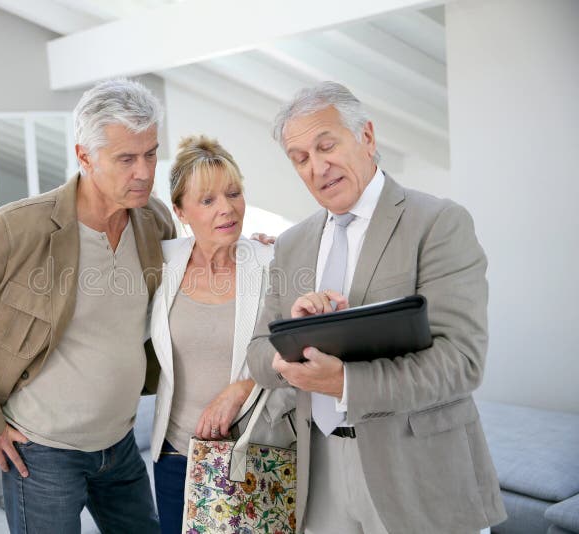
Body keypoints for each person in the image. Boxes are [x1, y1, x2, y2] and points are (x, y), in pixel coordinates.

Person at [0, 78, 175, 534]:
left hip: (120, 444)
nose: (144, 172)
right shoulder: (20, 229)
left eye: (150, 153)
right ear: (85, 157)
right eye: (126, 159)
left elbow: (191, 282)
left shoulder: (154, 220)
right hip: (42, 455)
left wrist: (246, 253)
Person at [246, 82, 507, 533]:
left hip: (419, 475)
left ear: (366, 137)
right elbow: (257, 352)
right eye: (301, 158)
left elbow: (461, 362)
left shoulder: (438, 222)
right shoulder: (290, 244)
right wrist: (293, 346)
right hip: (319, 475)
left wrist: (344, 381)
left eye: (326, 145)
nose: (317, 166)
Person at [149, 135, 293, 534]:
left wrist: (244, 386)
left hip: (252, 453)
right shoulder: (162, 261)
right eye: (208, 200)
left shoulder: (273, 263)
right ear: (180, 211)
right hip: (173, 454)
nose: (227, 209)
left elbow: (302, 356)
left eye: (234, 193)